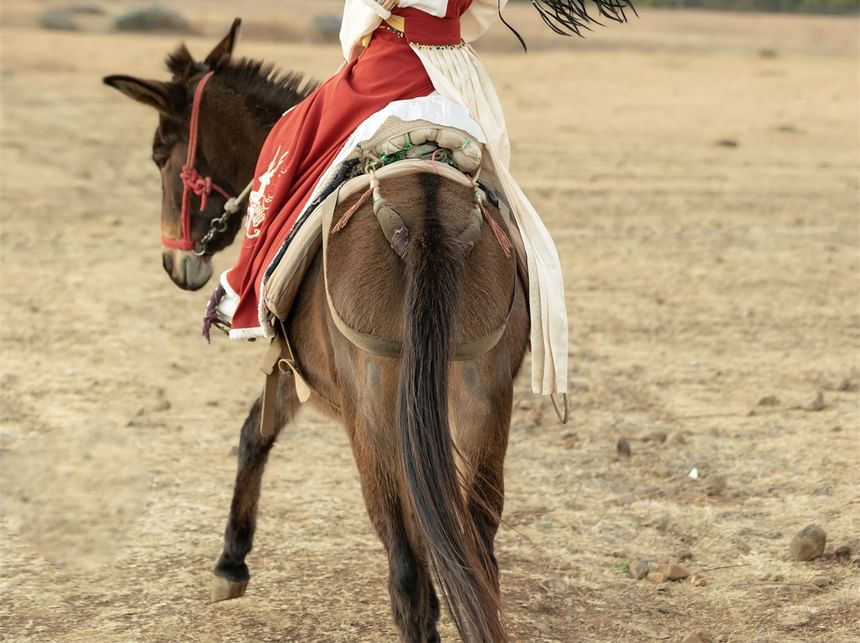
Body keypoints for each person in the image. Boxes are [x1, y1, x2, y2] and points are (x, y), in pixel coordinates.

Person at [219, 0, 568, 397]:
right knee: (496, 183)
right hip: (457, 77)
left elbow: (360, 21)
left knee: (291, 131)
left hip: (392, 65)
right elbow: (480, 13)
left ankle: (247, 281)